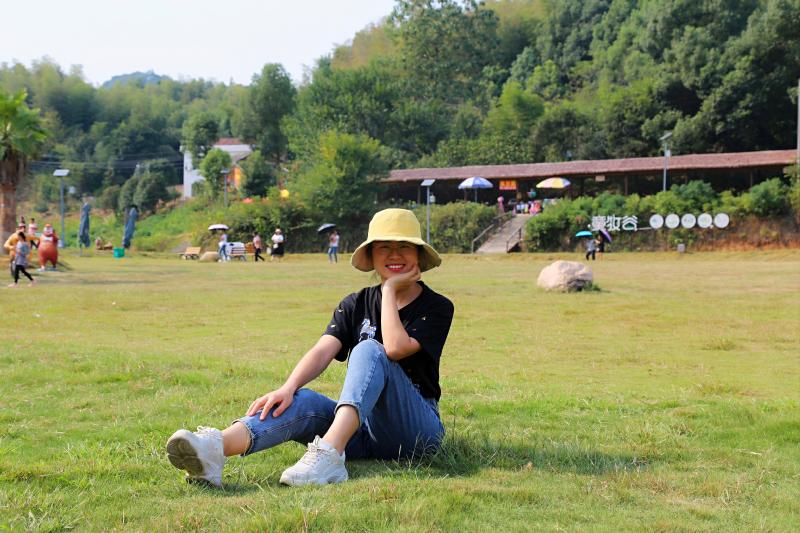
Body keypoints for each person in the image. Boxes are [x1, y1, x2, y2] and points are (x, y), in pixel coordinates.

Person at [166, 208, 454, 488]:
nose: (394, 254)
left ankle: (329, 454)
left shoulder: (437, 307)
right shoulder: (355, 304)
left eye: (404, 246)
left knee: (369, 349)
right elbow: (322, 351)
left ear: (418, 254)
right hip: (362, 429)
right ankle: (215, 450)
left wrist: (388, 290)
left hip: (416, 433)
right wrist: (287, 388)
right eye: (384, 247)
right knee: (299, 398)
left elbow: (394, 347)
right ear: (371, 255)